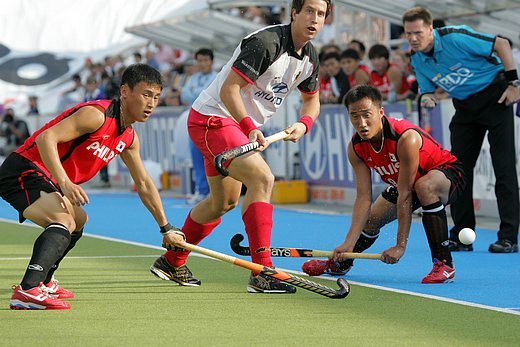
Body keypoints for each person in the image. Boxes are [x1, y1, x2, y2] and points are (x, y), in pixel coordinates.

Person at [150, 0, 330, 294]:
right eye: (309, 11)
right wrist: (250, 128)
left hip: (231, 126)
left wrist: (304, 123)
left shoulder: (310, 57)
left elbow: (312, 101)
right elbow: (228, 89)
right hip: (215, 118)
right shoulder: (266, 42)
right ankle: (262, 271)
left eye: (321, 14)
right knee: (263, 178)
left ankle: (172, 261)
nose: (314, 18)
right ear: (294, 13)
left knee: (223, 203)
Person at [0, 64, 185, 310]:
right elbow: (46, 139)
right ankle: (28, 290)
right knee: (63, 220)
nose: (151, 103)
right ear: (125, 91)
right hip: (23, 168)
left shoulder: (128, 138)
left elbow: (144, 184)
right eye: (145, 94)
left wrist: (165, 227)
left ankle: (45, 281)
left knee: (78, 219)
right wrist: (65, 182)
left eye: (156, 97)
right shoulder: (96, 115)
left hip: (46, 178)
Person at [302, 85, 466, 283]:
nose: (361, 123)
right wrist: (349, 242)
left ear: (380, 112)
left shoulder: (405, 138)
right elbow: (363, 197)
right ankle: (340, 263)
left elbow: (405, 194)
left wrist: (400, 246)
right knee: (371, 220)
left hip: (447, 174)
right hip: (407, 184)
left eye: (366, 115)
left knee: (424, 187)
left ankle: (444, 264)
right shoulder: (356, 148)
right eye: (354, 116)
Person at [402, 7, 520, 253]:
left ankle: (508, 237)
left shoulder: (455, 37)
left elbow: (502, 44)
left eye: (418, 32)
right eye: (408, 34)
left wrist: (513, 83)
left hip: (495, 97)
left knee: (504, 168)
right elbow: (426, 88)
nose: (413, 38)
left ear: (430, 29)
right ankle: (460, 234)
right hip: (465, 107)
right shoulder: (416, 58)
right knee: (457, 172)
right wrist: (427, 98)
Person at [180, 48, 218, 204]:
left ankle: (214, 192)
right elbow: (184, 96)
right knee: (196, 158)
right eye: (199, 61)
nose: (202, 64)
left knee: (212, 158)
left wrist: (195, 93)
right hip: (195, 122)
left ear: (211, 61)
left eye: (205, 60)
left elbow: (209, 95)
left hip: (211, 122)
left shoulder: (217, 77)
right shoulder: (193, 78)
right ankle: (201, 191)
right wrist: (199, 93)